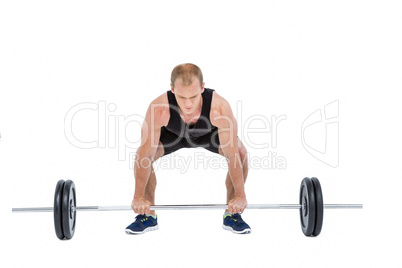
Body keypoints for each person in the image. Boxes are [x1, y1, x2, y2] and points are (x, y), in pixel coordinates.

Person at [125, 63, 250, 234]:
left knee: (241, 152)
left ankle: (232, 214)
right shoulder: (159, 109)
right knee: (144, 154)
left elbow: (232, 153)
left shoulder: (219, 108)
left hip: (208, 135)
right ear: (172, 89)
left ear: (202, 88)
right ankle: (146, 216)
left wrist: (241, 196)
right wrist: (137, 196)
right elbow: (144, 155)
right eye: (182, 98)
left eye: (193, 96)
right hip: (172, 135)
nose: (188, 104)